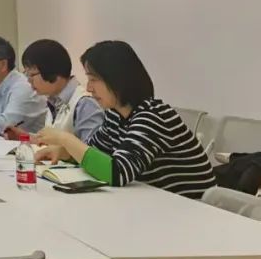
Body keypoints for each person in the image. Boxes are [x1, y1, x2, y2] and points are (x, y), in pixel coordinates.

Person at [35, 40, 215, 198]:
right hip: (153, 203)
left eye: (93, 80)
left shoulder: (152, 116)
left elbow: (117, 172)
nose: (89, 88)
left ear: (117, 79)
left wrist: (65, 139)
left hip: (191, 208)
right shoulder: (115, 114)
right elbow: (95, 152)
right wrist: (64, 152)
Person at [17, 39, 104, 142]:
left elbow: (89, 150)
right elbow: (48, 141)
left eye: (32, 74)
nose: (29, 80)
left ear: (52, 71)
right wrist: (22, 137)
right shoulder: (53, 100)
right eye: (26, 74)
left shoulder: (85, 104)